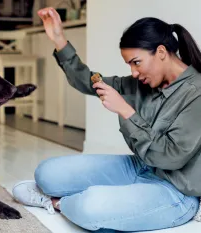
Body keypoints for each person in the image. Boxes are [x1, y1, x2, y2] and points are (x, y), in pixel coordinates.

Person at [12, 7, 201, 232]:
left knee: (91, 206)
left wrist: (126, 111)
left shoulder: (196, 92)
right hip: (141, 166)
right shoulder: (141, 84)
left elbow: (172, 158)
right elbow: (89, 81)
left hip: (177, 190)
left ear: (161, 52)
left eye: (136, 62)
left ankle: (58, 203)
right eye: (129, 65)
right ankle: (93, 199)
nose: (133, 72)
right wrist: (60, 41)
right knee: (47, 173)